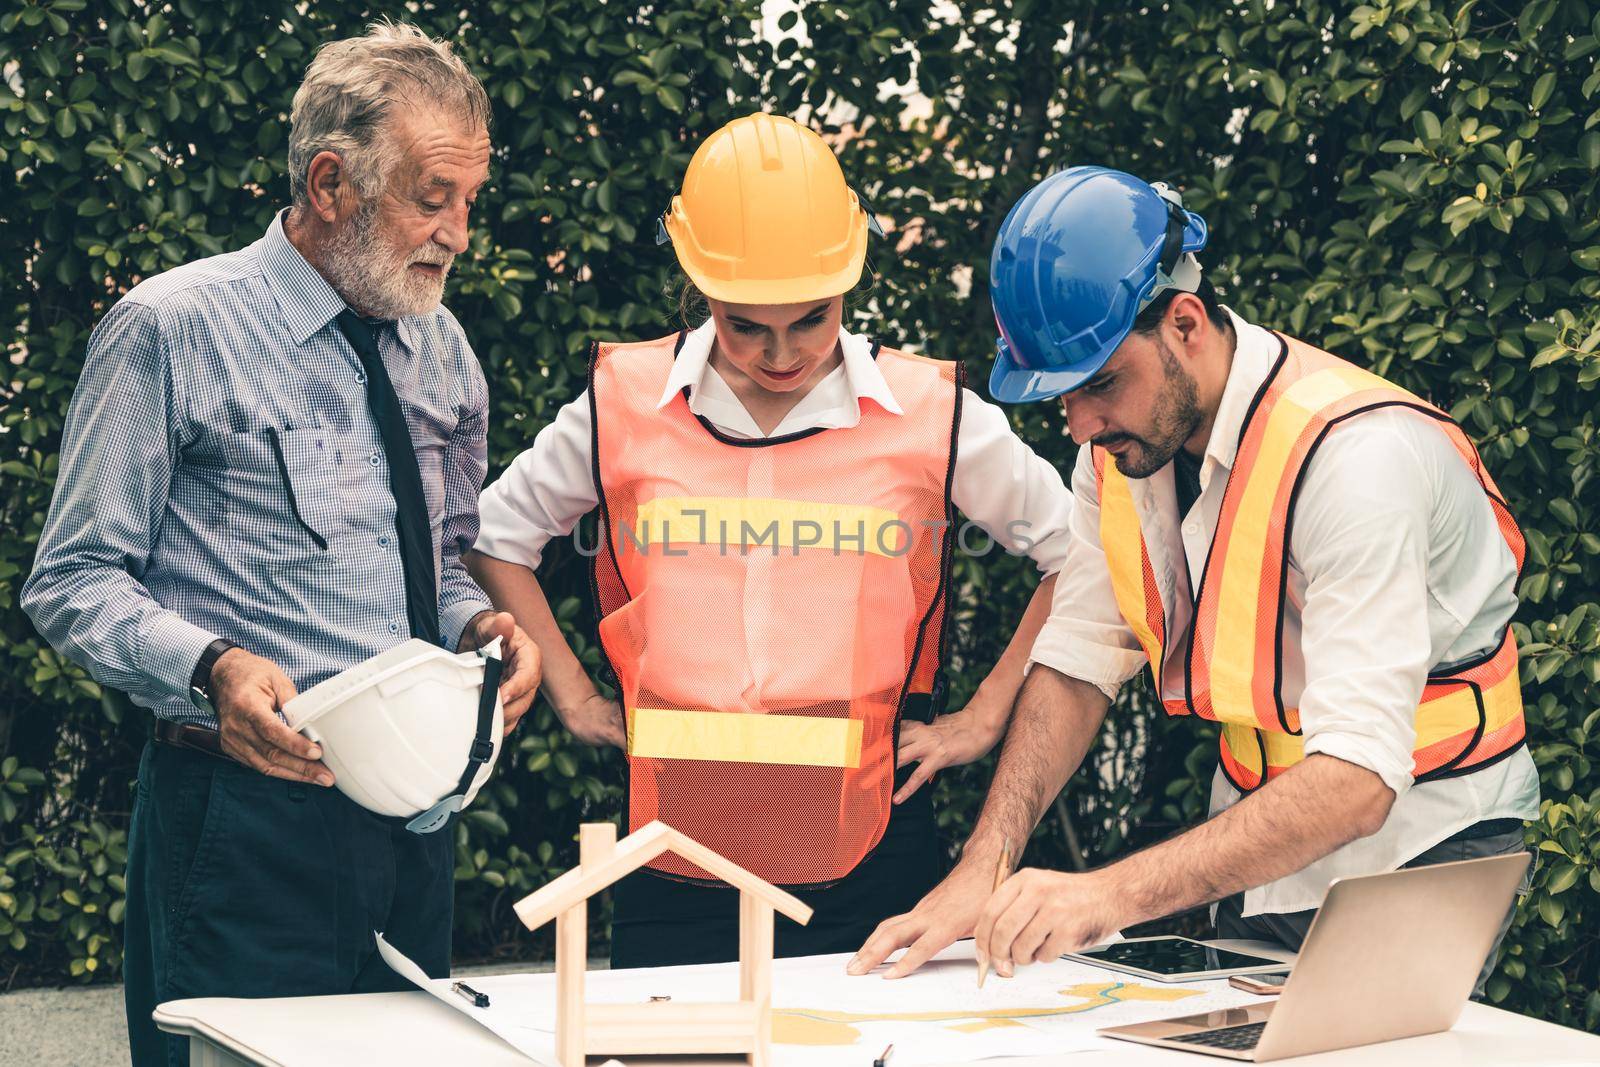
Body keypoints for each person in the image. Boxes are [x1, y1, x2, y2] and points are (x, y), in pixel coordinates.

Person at [849, 166, 1539, 988]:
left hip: (1426, 843)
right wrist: (984, 864)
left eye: (1099, 383)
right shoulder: (1120, 452)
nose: (1079, 424)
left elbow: (1357, 781)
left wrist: (1103, 895)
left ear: (1185, 323)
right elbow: (1076, 662)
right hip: (1260, 839)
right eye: (1061, 397)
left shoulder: (1358, 460)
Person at [21, 23, 540, 1066]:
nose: (458, 234)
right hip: (240, 823)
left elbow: (432, 564)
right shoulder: (170, 327)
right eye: (431, 197)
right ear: (332, 181)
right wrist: (210, 666)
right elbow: (71, 578)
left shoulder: (444, 345)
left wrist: (485, 623)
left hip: (415, 823)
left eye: (469, 202)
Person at [468, 113, 1075, 968]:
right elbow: (494, 537)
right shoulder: (627, 401)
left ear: (848, 281)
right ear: (698, 285)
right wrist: (569, 692)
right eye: (746, 323)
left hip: (872, 855)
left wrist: (983, 716)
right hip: (668, 855)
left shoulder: (930, 414)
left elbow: (1080, 553)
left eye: (811, 319)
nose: (780, 352)